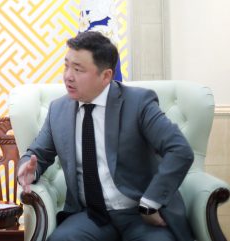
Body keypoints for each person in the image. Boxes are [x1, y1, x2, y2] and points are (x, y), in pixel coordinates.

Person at [17, 31, 194, 241]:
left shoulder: (138, 103)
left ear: (106, 76)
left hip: (141, 215)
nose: (68, 76)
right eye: (66, 66)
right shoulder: (58, 110)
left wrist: (151, 202)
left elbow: (179, 150)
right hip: (90, 216)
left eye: (78, 69)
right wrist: (28, 169)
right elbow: (37, 154)